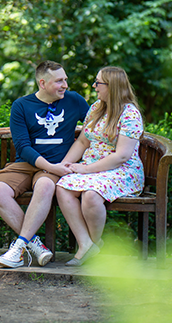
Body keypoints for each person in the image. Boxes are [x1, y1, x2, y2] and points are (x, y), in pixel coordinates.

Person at [0, 60, 89, 268]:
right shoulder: (21, 106)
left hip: (59, 165)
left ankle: (18, 249)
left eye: (66, 80)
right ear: (42, 83)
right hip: (27, 164)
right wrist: (52, 167)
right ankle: (34, 244)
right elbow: (23, 148)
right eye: (59, 81)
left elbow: (98, 127)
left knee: (45, 185)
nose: (65, 85)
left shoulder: (74, 101)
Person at [56, 66, 145, 266]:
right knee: (62, 186)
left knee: (91, 194)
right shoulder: (96, 107)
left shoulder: (130, 114)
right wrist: (65, 165)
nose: (94, 86)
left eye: (99, 83)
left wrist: (86, 169)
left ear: (112, 87)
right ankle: (86, 244)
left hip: (122, 171)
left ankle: (93, 244)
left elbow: (122, 156)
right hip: (92, 170)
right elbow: (82, 142)